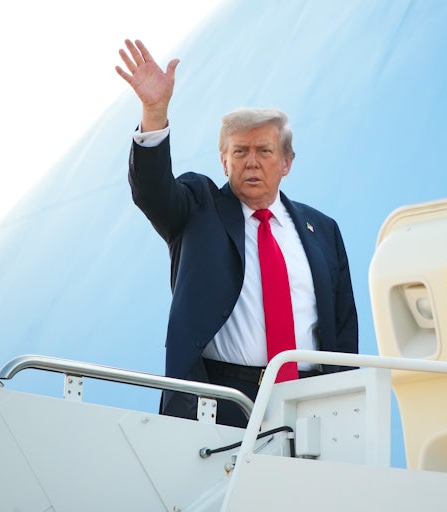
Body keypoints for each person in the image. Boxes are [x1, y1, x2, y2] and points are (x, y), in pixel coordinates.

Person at [115, 39, 359, 427]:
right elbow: (152, 192)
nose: (252, 162)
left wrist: (347, 408)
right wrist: (154, 111)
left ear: (286, 163)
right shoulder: (198, 207)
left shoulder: (322, 231)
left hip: (311, 400)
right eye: (240, 151)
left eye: (264, 151)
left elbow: (343, 328)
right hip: (223, 399)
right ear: (223, 160)